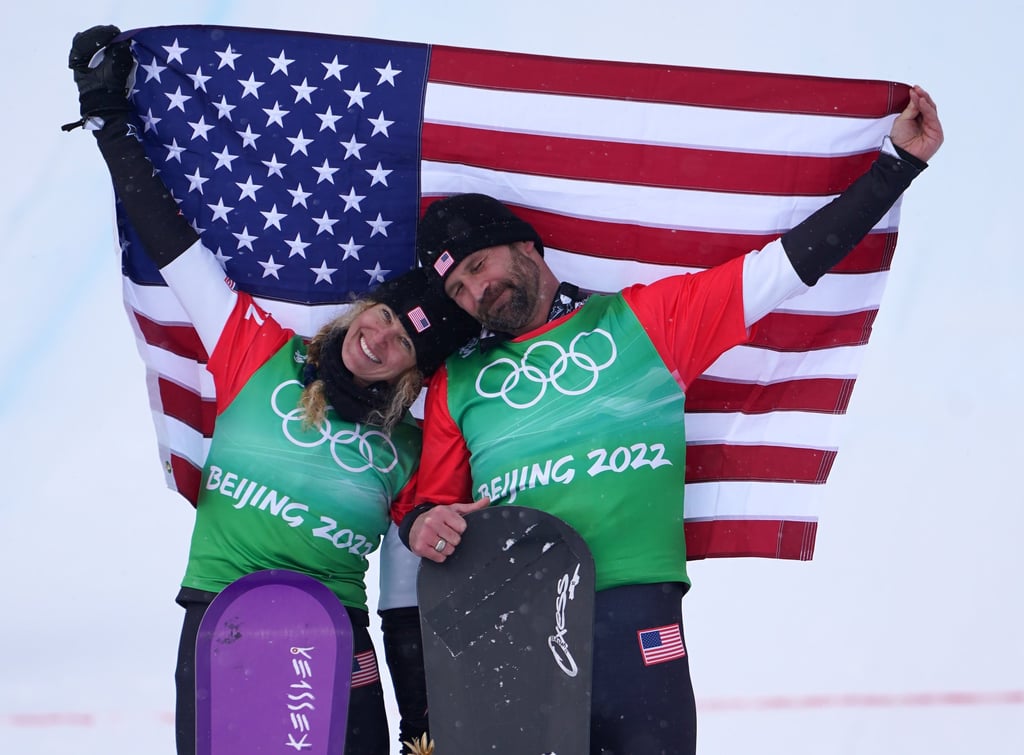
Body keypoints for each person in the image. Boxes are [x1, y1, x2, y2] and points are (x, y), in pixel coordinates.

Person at [397, 86, 944, 754]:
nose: (476, 291)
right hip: (515, 629)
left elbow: (787, 266)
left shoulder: (646, 322)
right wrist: (425, 523)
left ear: (523, 246)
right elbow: (429, 505)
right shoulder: (458, 382)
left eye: (479, 266)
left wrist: (897, 165)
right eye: (458, 289)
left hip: (637, 610)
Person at [67, 25, 477, 755]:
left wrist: (421, 728)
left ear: (413, 375)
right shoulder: (257, 351)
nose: (376, 339)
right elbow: (175, 246)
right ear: (365, 308)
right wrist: (111, 125)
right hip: (225, 613)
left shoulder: (411, 451)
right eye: (381, 317)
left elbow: (405, 599)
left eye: (400, 346)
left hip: (335, 631)